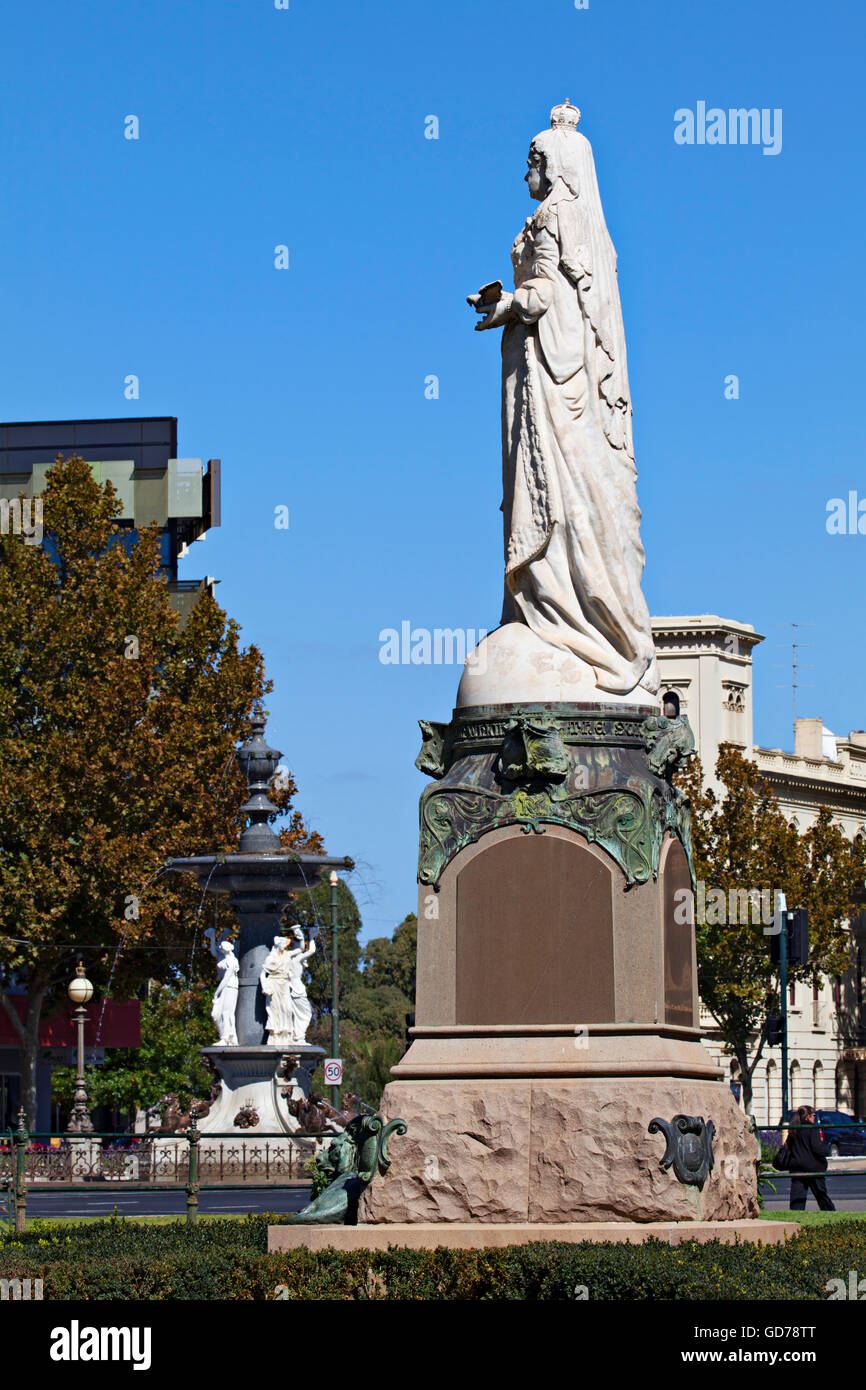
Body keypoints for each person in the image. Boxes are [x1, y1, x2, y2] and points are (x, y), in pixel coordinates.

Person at [468, 99, 659, 699]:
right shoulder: (575, 220)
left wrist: (507, 304)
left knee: (560, 486)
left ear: (554, 167)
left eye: (532, 162)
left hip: (555, 376)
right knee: (557, 486)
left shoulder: (556, 217)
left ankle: (580, 617)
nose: (526, 173)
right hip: (541, 371)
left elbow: (553, 295)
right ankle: (554, 606)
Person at [780, 1105, 836, 1211]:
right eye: (813, 1115)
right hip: (813, 1168)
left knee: (797, 1200)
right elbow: (817, 1148)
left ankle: (795, 1220)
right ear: (808, 1117)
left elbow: (788, 1147)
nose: (815, 1117)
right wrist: (826, 1151)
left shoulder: (793, 1130)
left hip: (797, 1168)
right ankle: (831, 1214)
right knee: (822, 1196)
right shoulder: (811, 1129)